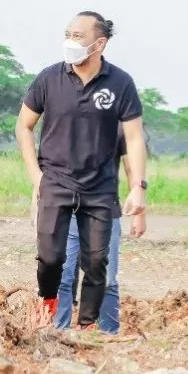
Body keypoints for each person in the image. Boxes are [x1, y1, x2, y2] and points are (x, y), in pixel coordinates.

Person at [15, 11, 148, 330]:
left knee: (103, 274)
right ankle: (50, 335)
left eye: (78, 36)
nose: (69, 42)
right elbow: (23, 127)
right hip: (57, 191)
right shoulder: (48, 79)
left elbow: (132, 143)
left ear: (99, 43)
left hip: (101, 197)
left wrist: (139, 188)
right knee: (54, 269)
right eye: (68, 34)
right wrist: (38, 179)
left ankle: (104, 337)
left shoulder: (120, 84)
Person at [54, 123, 148, 331]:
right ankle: (57, 334)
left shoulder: (119, 125)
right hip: (66, 211)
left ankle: (109, 338)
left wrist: (140, 213)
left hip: (106, 212)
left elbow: (131, 168)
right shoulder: (65, 118)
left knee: (106, 280)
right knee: (63, 277)